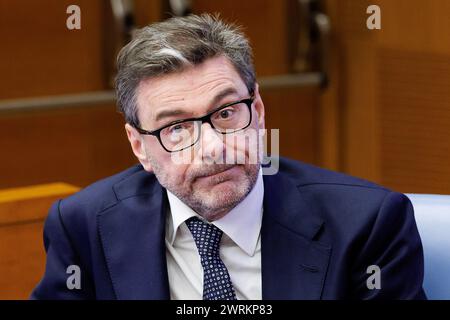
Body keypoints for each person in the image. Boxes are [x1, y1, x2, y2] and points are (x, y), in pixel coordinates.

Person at [31, 14, 426, 300]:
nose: (215, 147)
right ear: (139, 147)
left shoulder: (368, 225)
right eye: (177, 128)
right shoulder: (82, 226)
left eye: (225, 114)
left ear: (258, 110)